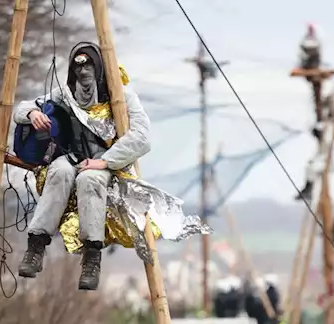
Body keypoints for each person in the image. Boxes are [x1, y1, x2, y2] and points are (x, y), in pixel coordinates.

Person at [13, 43, 203, 290]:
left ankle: (92, 257)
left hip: (106, 163)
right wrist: (32, 115)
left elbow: (142, 137)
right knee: (59, 172)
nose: (83, 73)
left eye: (88, 65)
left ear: (98, 67)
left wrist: (105, 161)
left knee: (89, 179)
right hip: (73, 158)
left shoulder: (120, 95)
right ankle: (36, 246)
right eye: (78, 67)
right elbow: (23, 107)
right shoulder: (65, 94)